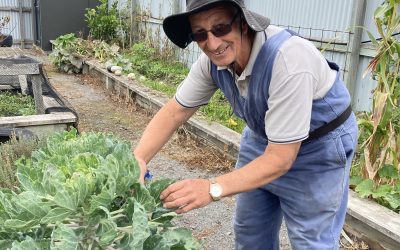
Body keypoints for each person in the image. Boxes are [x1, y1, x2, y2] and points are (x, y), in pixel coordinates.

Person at [133, 0, 358, 249]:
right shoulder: (211, 64)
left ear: (243, 23)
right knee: (250, 230)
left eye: (220, 28)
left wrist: (212, 188)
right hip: (263, 138)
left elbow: (281, 158)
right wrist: (138, 158)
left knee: (311, 240)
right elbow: (175, 111)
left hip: (318, 147)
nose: (213, 43)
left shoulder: (288, 60)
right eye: (200, 34)